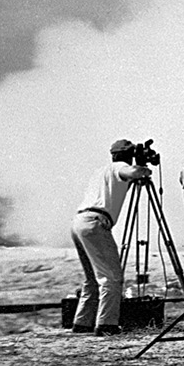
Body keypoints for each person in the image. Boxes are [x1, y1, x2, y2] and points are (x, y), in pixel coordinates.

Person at [70, 139, 151, 335]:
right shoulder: (119, 167)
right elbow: (133, 173)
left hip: (79, 221)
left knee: (91, 279)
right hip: (95, 223)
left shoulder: (101, 171)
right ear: (128, 156)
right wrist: (142, 169)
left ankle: (82, 323)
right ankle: (106, 325)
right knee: (112, 277)